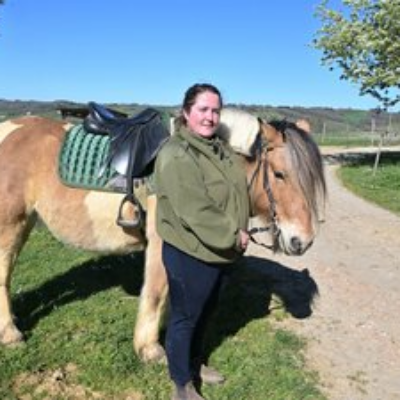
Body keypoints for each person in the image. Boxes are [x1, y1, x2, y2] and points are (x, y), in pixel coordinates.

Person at [154, 83, 250, 400]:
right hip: (190, 251)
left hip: (219, 249)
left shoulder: (219, 149)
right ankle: (182, 384)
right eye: (203, 109)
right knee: (185, 316)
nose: (210, 117)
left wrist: (242, 226)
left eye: (215, 110)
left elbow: (236, 193)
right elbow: (194, 209)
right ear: (186, 112)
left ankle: (194, 363)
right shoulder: (176, 154)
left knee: (205, 311)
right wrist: (233, 234)